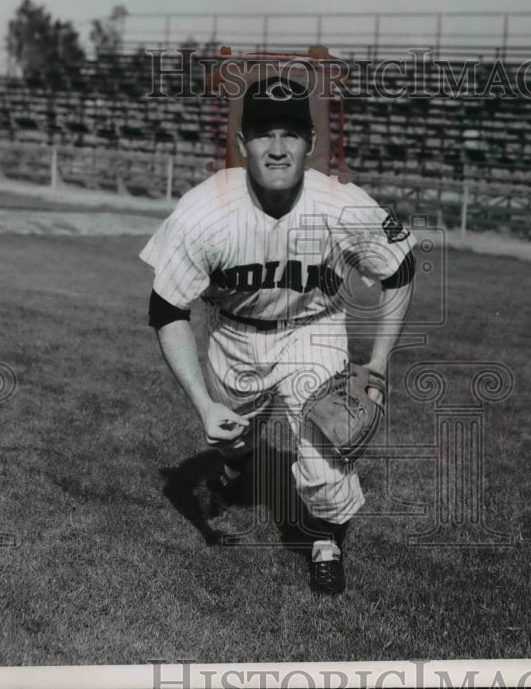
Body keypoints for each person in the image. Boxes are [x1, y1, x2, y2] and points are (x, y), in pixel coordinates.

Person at [140, 76, 416, 595]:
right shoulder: (204, 211)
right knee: (232, 429)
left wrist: (377, 362)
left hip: (314, 328)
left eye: (291, 133)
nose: (277, 147)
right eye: (264, 133)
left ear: (311, 145)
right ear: (242, 144)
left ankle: (325, 540)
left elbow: (400, 268)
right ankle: (236, 467)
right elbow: (166, 306)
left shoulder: (342, 205)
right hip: (235, 335)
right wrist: (201, 403)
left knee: (324, 453)